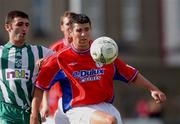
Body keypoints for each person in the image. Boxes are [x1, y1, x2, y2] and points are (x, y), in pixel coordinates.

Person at [30, 14, 166, 124]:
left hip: (105, 106)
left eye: (86, 29)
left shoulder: (103, 52)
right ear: (70, 32)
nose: (83, 34)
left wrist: (152, 88)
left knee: (112, 119)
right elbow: (40, 85)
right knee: (109, 121)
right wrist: (34, 114)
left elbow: (130, 74)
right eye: (79, 30)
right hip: (77, 108)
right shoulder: (60, 58)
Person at [0, 10, 53, 124]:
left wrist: (48, 61)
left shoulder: (39, 51)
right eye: (20, 24)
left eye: (27, 25)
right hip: (8, 113)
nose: (24, 28)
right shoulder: (1, 53)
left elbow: (64, 57)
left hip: (31, 112)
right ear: (8, 27)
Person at [48, 11, 76, 116]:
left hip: (81, 100)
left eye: (73, 23)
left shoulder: (89, 47)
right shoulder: (54, 49)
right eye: (68, 24)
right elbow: (44, 79)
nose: (71, 27)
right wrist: (45, 104)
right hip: (58, 102)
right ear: (62, 27)